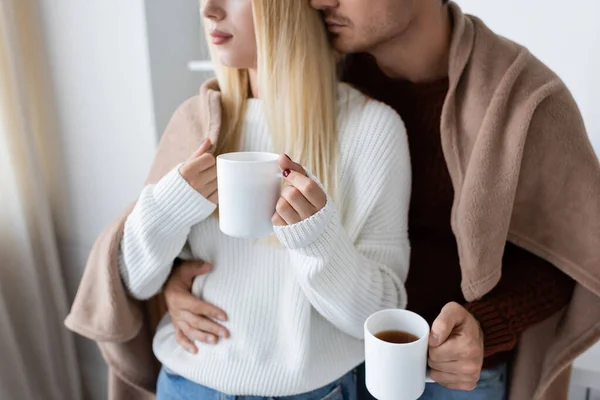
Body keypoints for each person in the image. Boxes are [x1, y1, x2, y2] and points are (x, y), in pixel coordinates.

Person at [163, 1, 600, 399]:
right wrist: (179, 279)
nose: (319, 1)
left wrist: (488, 325)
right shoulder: (318, 80)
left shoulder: (523, 98)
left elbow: (574, 258)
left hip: (453, 370)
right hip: (342, 366)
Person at [114, 0, 412, 399]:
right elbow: (136, 281)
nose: (209, 10)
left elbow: (379, 315)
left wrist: (317, 240)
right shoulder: (198, 121)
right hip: (186, 385)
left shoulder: (372, 130)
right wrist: (168, 210)